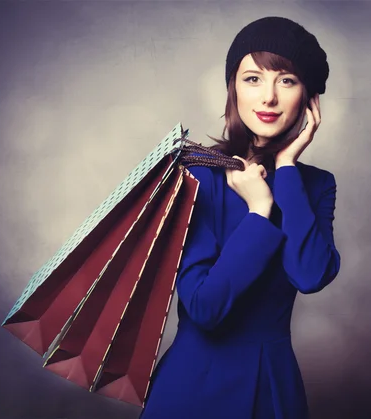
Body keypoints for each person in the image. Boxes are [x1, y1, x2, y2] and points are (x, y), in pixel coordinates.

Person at [140, 16, 341, 419]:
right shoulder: (196, 175)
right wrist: (259, 211)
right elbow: (205, 308)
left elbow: (310, 275)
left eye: (286, 80)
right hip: (194, 387)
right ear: (233, 87)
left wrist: (285, 169)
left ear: (309, 98)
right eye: (252, 79)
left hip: (272, 387)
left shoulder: (315, 185)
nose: (268, 97)